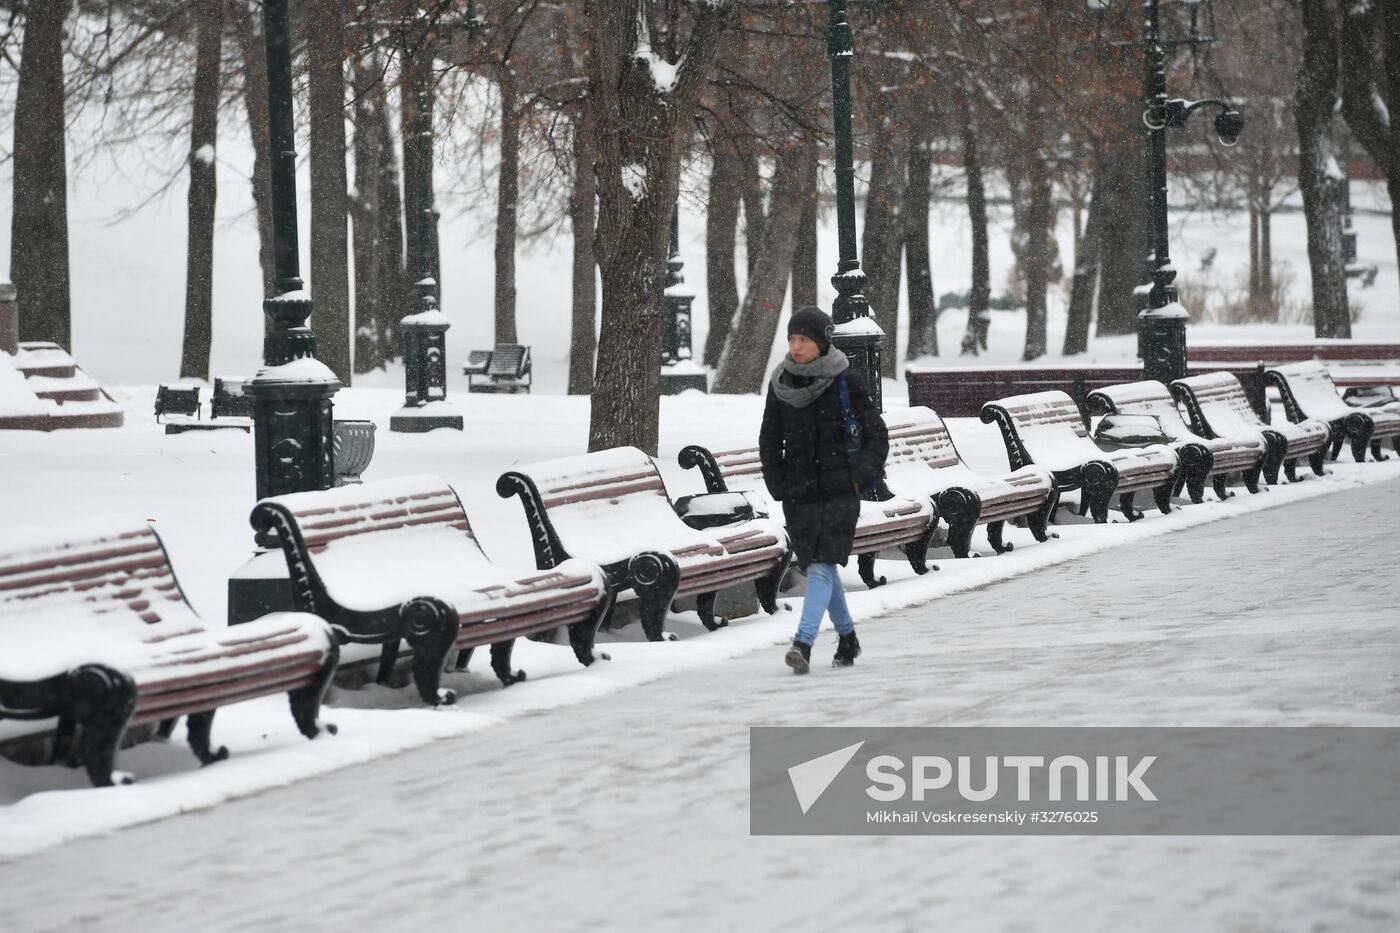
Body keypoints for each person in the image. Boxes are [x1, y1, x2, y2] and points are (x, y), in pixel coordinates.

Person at [759, 306, 889, 673]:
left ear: (820, 343)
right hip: (798, 493)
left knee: (820, 565)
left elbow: (877, 436)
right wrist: (777, 480)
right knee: (823, 568)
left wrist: (859, 477)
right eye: (792, 339)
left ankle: (803, 642)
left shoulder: (846, 381)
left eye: (804, 340)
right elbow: (769, 439)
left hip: (839, 491)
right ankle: (847, 639)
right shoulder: (781, 383)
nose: (796, 347)